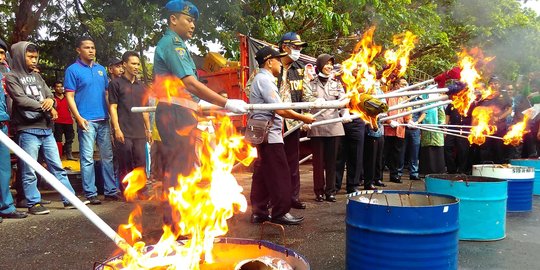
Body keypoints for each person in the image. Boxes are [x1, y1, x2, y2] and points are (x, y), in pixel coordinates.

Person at [153, 0, 247, 226]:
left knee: (183, 168)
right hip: (174, 113)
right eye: (188, 20)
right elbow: (190, 84)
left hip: (180, 111)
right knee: (178, 171)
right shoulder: (173, 44)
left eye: (194, 21)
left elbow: (189, 93)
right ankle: (175, 227)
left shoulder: (176, 45)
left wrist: (205, 109)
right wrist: (226, 103)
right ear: (173, 20)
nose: (192, 25)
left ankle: (178, 222)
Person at [4, 41, 78, 214]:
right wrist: (46, 105)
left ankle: (70, 198)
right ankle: (33, 203)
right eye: (30, 57)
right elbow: (21, 99)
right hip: (27, 129)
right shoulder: (12, 76)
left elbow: (50, 94)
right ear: (20, 56)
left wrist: (51, 101)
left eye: (36, 57)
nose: (34, 60)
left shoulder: (37, 77)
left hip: (46, 129)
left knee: (57, 166)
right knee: (29, 168)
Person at [249, 46, 315, 225]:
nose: (281, 63)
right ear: (270, 62)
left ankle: (259, 211)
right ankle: (280, 212)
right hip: (270, 136)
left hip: (266, 135)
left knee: (263, 174)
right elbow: (280, 109)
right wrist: (303, 117)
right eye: (278, 60)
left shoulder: (262, 79)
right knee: (281, 175)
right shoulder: (264, 80)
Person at [64, 36, 121, 204]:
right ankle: (90, 193)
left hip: (103, 119)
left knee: (107, 157)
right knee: (87, 158)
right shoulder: (72, 70)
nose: (91, 50)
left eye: (93, 47)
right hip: (86, 121)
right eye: (87, 47)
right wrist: (78, 117)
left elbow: (106, 93)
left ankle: (110, 190)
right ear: (78, 50)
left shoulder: (101, 69)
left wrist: (111, 116)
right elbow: (70, 95)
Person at [277, 32, 312, 210]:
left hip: (293, 121)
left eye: (299, 48)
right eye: (296, 47)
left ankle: (292, 197)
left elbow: (307, 95)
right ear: (285, 47)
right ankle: (269, 201)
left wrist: (307, 112)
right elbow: (250, 89)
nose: (298, 51)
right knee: (271, 163)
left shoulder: (300, 69)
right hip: (273, 124)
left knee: (292, 162)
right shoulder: (271, 65)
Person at [109, 51, 152, 185]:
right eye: (133, 63)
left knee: (140, 162)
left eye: (138, 64)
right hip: (124, 131)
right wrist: (116, 129)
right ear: (124, 64)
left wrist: (148, 130)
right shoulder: (115, 84)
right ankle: (126, 191)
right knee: (125, 162)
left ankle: (140, 189)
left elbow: (145, 110)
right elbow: (113, 108)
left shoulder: (142, 87)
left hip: (139, 132)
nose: (136, 67)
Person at [307, 54, 345, 202]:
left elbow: (342, 102)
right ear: (320, 65)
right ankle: (319, 191)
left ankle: (330, 191)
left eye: (331, 64)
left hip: (334, 126)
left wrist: (345, 112)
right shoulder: (311, 84)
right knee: (318, 162)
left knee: (331, 161)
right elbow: (306, 101)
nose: (329, 66)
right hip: (317, 126)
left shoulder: (337, 83)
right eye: (326, 64)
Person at [0, 58, 28, 222]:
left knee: (4, 169)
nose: (0, 56)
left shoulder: (6, 75)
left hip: (3, 124)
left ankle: (6, 206)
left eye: (2, 53)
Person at [476, 76, 512, 164]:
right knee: (485, 149)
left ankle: (498, 168)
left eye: (496, 83)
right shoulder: (485, 95)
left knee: (498, 149)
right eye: (491, 83)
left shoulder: (504, 95)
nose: (493, 85)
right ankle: (485, 168)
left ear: (499, 84)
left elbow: (509, 109)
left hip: (500, 127)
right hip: (485, 127)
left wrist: (499, 118)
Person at [383, 80, 409, 183]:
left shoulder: (405, 97)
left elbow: (407, 111)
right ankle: (378, 176)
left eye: (405, 85)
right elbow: (383, 111)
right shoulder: (388, 95)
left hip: (400, 129)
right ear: (396, 85)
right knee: (384, 153)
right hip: (388, 129)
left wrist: (409, 120)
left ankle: (394, 175)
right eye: (402, 84)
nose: (404, 86)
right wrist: (389, 121)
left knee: (397, 154)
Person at [419, 94, 446, 176]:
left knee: (437, 152)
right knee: (427, 152)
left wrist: (441, 126)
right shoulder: (423, 103)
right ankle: (426, 172)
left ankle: (438, 172)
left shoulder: (438, 103)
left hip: (436, 131)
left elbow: (441, 116)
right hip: (425, 131)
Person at [52, 81, 76, 161]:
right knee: (58, 140)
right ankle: (58, 156)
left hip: (68, 121)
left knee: (69, 139)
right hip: (57, 122)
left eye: (61, 86)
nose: (60, 88)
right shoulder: (52, 99)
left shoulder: (68, 97)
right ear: (54, 88)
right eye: (57, 87)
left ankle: (69, 154)